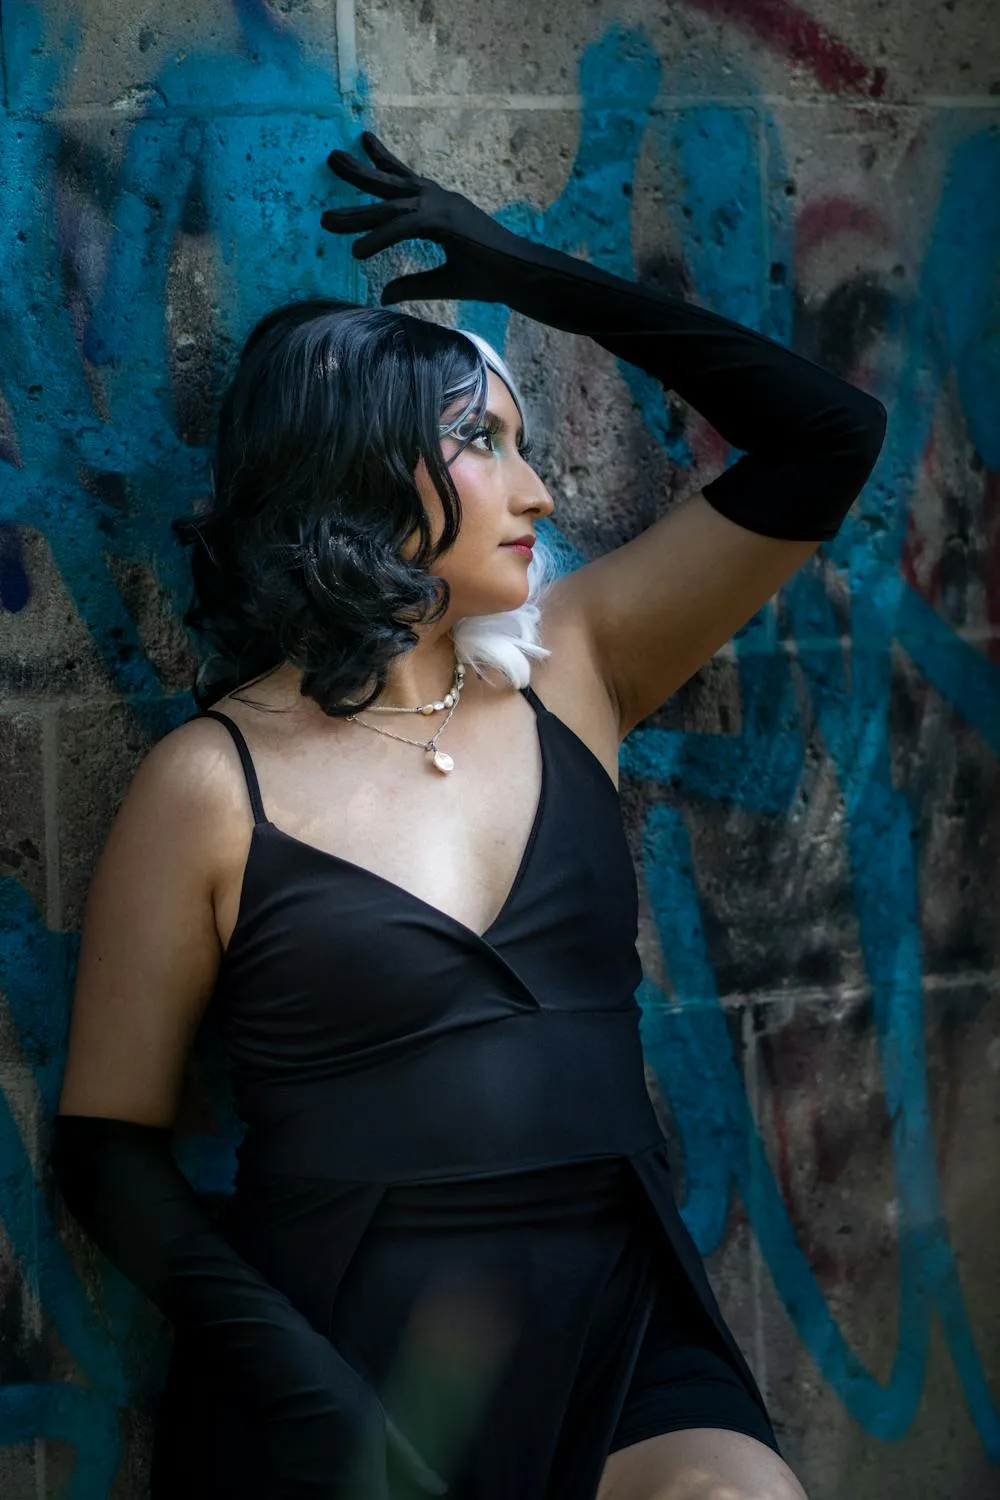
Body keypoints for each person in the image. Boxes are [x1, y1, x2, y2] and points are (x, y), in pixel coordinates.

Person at [49, 133, 886, 1500]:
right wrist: (302, 1387)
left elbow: (828, 436)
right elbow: (106, 1147)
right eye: (484, 445)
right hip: (354, 1358)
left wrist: (531, 280)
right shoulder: (211, 785)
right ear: (363, 481)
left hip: (620, 1319)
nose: (539, 492)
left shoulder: (582, 665)